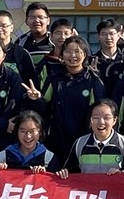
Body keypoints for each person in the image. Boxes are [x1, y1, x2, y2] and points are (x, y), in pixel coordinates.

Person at [36, 36, 106, 167]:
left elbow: (97, 112)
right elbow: (44, 107)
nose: (73, 55)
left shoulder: (93, 81)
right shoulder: (54, 78)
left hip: (84, 139)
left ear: (85, 55)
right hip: (57, 138)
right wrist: (37, 99)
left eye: (77, 51)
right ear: (62, 54)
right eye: (68, 51)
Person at [56, 99, 124, 175]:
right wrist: (63, 173)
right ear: (90, 120)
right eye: (96, 117)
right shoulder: (80, 143)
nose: (101, 122)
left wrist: (121, 174)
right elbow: (70, 173)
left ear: (114, 120)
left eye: (106, 118)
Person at [34, 18, 75, 84]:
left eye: (66, 33)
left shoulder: (77, 60)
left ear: (72, 35)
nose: (62, 37)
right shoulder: (46, 62)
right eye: (58, 33)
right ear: (51, 36)